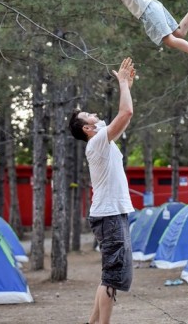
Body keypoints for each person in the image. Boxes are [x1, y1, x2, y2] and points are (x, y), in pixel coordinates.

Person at [69, 57, 136, 324]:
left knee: (111, 274)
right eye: (90, 116)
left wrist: (127, 86)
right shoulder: (96, 141)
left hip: (113, 214)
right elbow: (126, 113)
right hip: (108, 216)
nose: (95, 115)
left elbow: (124, 117)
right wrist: (121, 83)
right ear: (87, 128)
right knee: (112, 276)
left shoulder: (102, 139)